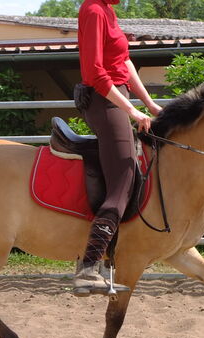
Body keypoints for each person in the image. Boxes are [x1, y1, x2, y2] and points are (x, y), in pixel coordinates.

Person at [73, 0, 163, 297]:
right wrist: (132, 112)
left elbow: (123, 62)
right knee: (123, 180)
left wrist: (148, 103)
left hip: (115, 95)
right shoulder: (94, 10)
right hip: (103, 98)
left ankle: (113, 255)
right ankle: (87, 268)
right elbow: (96, 73)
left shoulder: (108, 11)